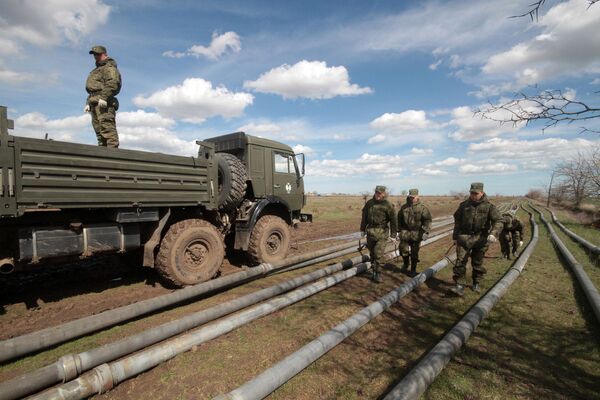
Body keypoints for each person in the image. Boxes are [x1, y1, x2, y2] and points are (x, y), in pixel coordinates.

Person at [451, 182, 502, 295]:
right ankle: (459, 285)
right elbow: (457, 221)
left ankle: (476, 282)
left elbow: (499, 220)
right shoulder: (464, 205)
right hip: (464, 237)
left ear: (482, 193)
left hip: (481, 238)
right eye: (471, 193)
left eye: (476, 193)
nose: (473, 195)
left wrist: (493, 233)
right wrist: (455, 237)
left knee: (477, 263)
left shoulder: (489, 206)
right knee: (460, 261)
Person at [84, 45, 122, 148]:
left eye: (98, 54)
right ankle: (102, 158)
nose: (96, 56)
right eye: (94, 54)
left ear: (104, 54)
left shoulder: (109, 68)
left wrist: (104, 97)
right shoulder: (96, 70)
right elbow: (93, 89)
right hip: (94, 103)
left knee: (108, 131)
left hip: (104, 103)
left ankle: (112, 159)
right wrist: (88, 103)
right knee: (99, 134)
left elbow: (113, 83)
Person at [360, 185, 398, 283]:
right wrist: (362, 230)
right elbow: (364, 217)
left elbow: (394, 220)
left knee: (378, 254)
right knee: (372, 254)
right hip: (371, 232)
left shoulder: (388, 205)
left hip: (382, 233)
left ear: (383, 193)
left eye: (380, 193)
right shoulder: (369, 203)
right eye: (377, 192)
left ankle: (378, 273)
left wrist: (394, 235)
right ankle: (374, 271)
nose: (378, 195)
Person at [397, 188, 432, 277]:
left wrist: (426, 232)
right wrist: (398, 231)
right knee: (403, 250)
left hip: (416, 233)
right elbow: (399, 219)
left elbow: (427, 220)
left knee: (414, 253)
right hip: (405, 233)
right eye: (411, 197)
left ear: (417, 196)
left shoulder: (422, 208)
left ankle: (413, 269)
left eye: (414, 197)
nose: (412, 198)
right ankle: (405, 264)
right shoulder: (404, 207)